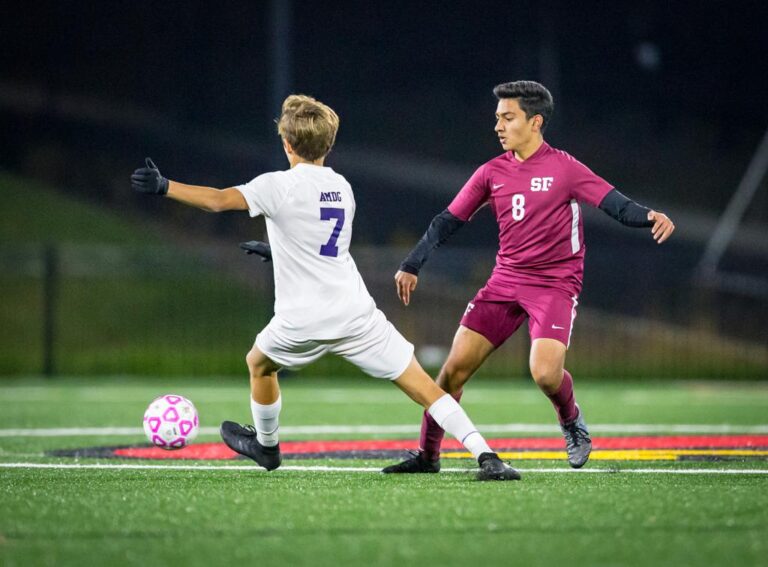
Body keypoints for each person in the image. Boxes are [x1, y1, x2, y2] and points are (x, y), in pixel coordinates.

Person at [131, 94, 520, 481]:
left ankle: (267, 445)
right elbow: (322, 244)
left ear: (286, 144)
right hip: (354, 313)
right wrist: (278, 252)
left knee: (259, 363)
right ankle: (486, 455)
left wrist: (165, 186)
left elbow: (217, 201)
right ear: (329, 145)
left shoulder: (277, 185)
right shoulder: (342, 187)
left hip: (302, 319)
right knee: (423, 386)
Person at [380, 80, 675, 474]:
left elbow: (615, 205)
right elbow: (447, 220)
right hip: (504, 283)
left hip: (554, 285)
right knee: (451, 373)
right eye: (497, 118)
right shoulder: (492, 171)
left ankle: (571, 422)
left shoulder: (565, 168)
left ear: (535, 122)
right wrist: (412, 263)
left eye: (508, 117)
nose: (498, 126)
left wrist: (651, 216)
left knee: (545, 373)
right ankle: (428, 456)